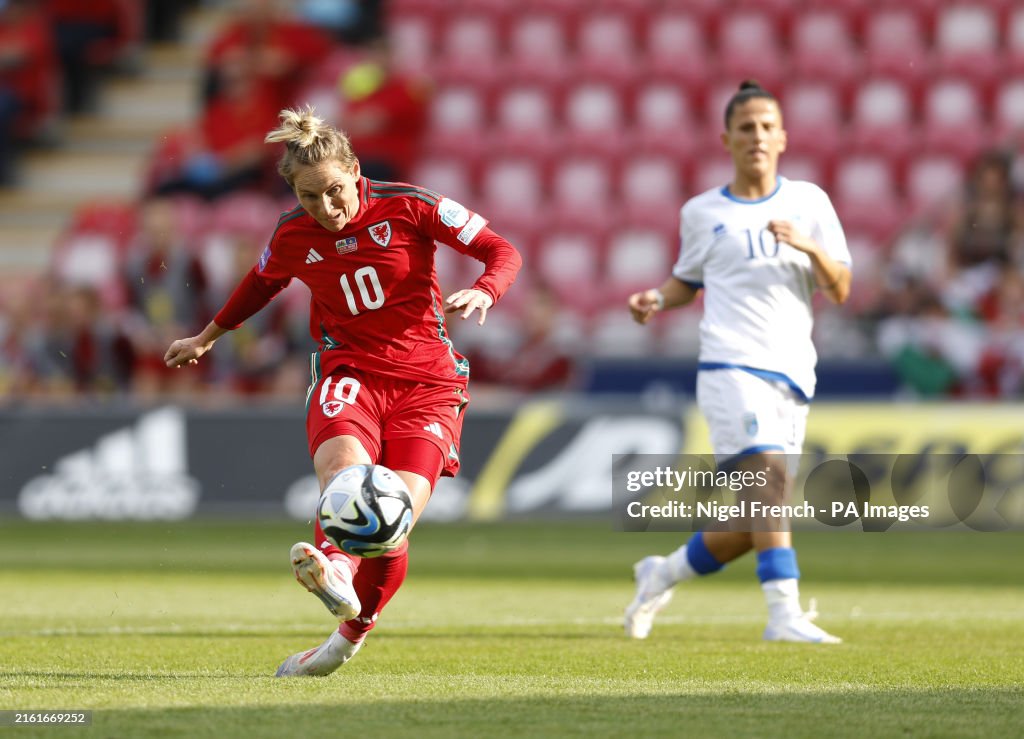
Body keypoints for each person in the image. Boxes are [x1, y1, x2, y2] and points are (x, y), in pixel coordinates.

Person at [164, 107, 521, 676]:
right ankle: (333, 567)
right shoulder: (292, 234)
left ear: (354, 170)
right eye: (310, 198)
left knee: (393, 520)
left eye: (334, 192)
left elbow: (502, 250)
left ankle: (345, 639)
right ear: (293, 195)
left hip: (428, 383)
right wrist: (208, 337)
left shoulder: (411, 204)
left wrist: (485, 290)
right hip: (349, 373)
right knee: (343, 475)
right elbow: (261, 282)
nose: (326, 211)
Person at [623, 81, 852, 644]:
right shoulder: (703, 212)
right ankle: (784, 615)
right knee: (769, 484)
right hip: (730, 367)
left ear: (783, 138)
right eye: (746, 127)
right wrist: (656, 298)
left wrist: (809, 246)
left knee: (757, 522)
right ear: (726, 139)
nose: (757, 136)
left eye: (767, 126)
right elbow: (686, 283)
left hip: (793, 373)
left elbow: (841, 287)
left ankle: (661, 572)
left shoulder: (809, 204)